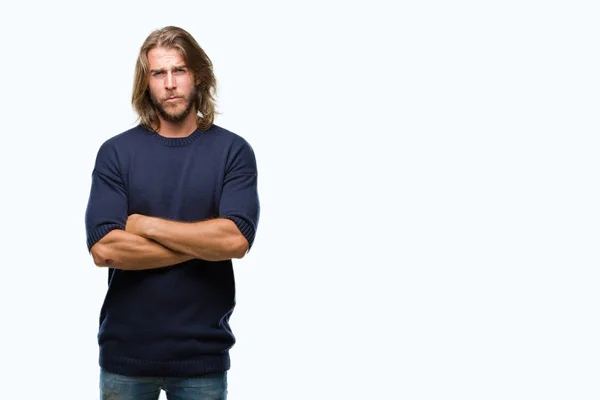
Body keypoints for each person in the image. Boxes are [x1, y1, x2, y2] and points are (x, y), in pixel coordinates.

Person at [84, 26, 260, 399]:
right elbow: (106, 249)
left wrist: (145, 225)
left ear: (198, 75)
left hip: (202, 359)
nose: (170, 83)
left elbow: (235, 240)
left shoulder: (233, 151)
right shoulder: (116, 153)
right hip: (125, 357)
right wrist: (202, 245)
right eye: (158, 73)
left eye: (178, 70)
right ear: (146, 83)